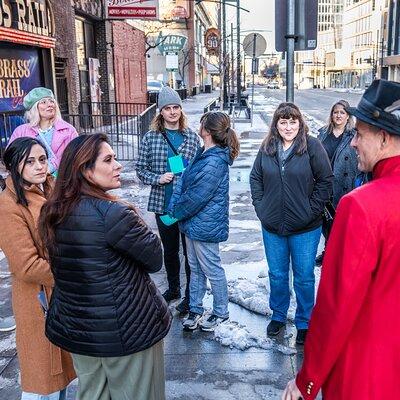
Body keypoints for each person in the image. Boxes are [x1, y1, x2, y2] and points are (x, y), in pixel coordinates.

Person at [282, 80, 400, 399]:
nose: (353, 143)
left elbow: (336, 305)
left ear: (385, 138)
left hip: (366, 374)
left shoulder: (361, 206)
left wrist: (307, 379)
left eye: (360, 133)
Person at [39, 134, 172, 400]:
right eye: (108, 160)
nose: (118, 165)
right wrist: (133, 216)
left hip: (80, 332)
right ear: (85, 171)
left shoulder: (53, 212)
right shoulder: (114, 214)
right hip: (128, 330)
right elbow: (156, 258)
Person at [249, 103, 333, 345]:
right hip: (273, 225)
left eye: (293, 121)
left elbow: (325, 180)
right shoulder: (267, 147)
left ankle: (305, 321)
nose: (288, 127)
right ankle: (277, 315)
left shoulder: (312, 146)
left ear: (300, 123)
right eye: (283, 122)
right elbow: (256, 177)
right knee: (277, 274)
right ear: (276, 124)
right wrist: (261, 207)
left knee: (304, 276)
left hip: (306, 228)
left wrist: (311, 209)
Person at [0, 137, 75, 399]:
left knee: (63, 376)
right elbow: (26, 265)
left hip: (62, 297)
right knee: (42, 381)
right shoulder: (8, 205)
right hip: (38, 301)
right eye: (30, 161)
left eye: (42, 159)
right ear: (14, 166)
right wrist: (73, 274)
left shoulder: (52, 189)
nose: (39, 166)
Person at [168, 111, 240, 331]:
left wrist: (175, 211)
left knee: (212, 268)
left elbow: (196, 196)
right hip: (193, 223)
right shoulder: (204, 153)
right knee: (195, 268)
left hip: (205, 224)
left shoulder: (215, 161)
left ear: (206, 131)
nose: (198, 126)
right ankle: (196, 308)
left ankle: (221, 311)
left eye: (201, 124)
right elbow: (185, 182)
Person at [136, 86, 200, 313]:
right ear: (160, 112)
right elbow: (140, 170)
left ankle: (191, 296)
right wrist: (158, 177)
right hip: (164, 205)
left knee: (190, 252)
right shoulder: (151, 138)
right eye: (167, 108)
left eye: (176, 108)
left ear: (181, 111)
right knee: (170, 250)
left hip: (187, 206)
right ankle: (174, 287)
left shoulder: (192, 137)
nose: (172, 112)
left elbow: (199, 170)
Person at [315, 100, 358, 266]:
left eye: (342, 112)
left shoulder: (353, 135)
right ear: (331, 115)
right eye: (335, 112)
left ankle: (341, 254)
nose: (338, 115)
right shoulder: (323, 134)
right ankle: (329, 250)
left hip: (345, 183)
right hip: (325, 183)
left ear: (348, 116)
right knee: (326, 220)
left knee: (342, 221)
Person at [8, 87, 78, 176]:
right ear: (34, 108)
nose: (50, 105)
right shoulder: (21, 131)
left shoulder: (68, 130)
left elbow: (76, 156)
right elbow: (11, 157)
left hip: (61, 181)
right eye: (44, 102)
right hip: (31, 183)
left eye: (51, 101)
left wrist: (51, 167)